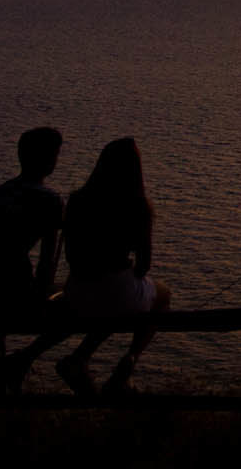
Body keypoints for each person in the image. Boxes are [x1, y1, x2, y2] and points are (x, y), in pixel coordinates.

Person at [55, 136, 174, 396]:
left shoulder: (77, 201)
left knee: (109, 300)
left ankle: (80, 358)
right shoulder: (138, 206)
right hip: (115, 292)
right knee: (161, 295)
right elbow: (144, 266)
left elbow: (71, 255)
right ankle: (129, 360)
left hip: (78, 290)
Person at [0, 125, 69, 394]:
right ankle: (25, 358)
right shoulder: (49, 200)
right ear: (48, 159)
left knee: (5, 268)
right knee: (76, 303)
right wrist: (43, 295)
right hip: (13, 299)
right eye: (56, 154)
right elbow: (49, 262)